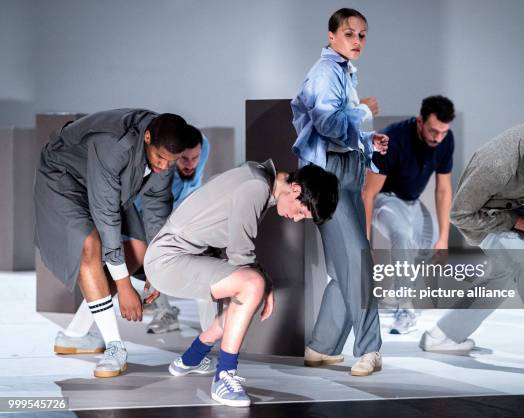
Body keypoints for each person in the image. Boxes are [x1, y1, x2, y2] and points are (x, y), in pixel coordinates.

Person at [144, 160, 339, 407]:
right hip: (170, 259)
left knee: (249, 292)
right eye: (302, 212)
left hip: (180, 255)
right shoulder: (256, 187)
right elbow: (239, 253)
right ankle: (224, 376)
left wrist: (262, 283)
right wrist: (263, 283)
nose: (297, 219)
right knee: (252, 286)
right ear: (296, 189)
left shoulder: (260, 179)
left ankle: (193, 357)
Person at [419, 116, 524, 380]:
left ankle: (443, 335)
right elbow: (460, 214)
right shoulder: (497, 164)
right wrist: (513, 221)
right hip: (483, 217)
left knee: (504, 276)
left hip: (517, 209)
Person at [36, 109, 191, 377]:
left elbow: (156, 209)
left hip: (106, 182)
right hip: (63, 178)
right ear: (147, 137)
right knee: (90, 245)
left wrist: (155, 267)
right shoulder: (113, 144)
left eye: (172, 161)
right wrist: (123, 285)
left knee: (139, 251)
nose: (165, 166)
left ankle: (73, 336)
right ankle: (115, 347)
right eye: (160, 158)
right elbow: (106, 216)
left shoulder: (164, 152)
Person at [291, 8, 389, 376]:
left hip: (344, 171)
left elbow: (337, 130)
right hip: (330, 175)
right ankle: (370, 349)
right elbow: (326, 122)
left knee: (344, 266)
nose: (358, 41)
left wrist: (367, 140)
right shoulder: (325, 72)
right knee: (358, 264)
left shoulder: (343, 71)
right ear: (331, 36)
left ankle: (322, 346)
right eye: (350, 34)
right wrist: (363, 112)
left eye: (363, 35)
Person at [362, 95, 455, 334]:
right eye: (434, 131)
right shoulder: (392, 139)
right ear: (420, 122)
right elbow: (369, 193)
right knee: (402, 235)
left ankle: (396, 295)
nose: (438, 137)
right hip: (385, 198)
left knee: (430, 244)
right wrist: (365, 241)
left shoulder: (445, 140)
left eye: (443, 132)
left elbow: (443, 189)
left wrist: (444, 237)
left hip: (412, 203)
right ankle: (404, 307)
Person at [143, 125, 210, 334]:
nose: (190, 165)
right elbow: (152, 210)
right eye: (183, 159)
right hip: (151, 212)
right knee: (155, 255)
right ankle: (165, 311)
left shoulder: (203, 144)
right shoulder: (163, 173)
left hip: (186, 209)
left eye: (195, 158)